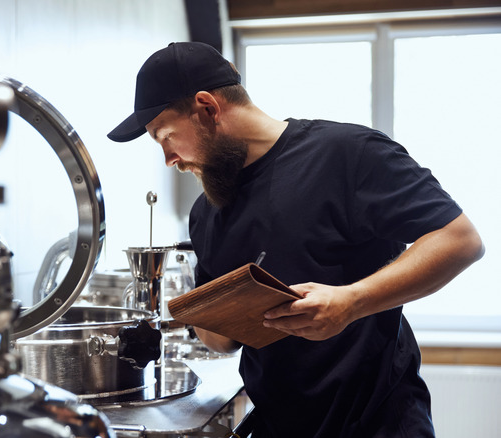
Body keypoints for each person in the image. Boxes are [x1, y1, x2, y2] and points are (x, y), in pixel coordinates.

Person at [107, 42, 484, 437]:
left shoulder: (347, 154)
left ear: (207, 107)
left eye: (166, 136)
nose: (169, 159)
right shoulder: (207, 211)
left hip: (377, 422)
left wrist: (351, 302)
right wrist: (205, 317)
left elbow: (459, 240)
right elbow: (221, 341)